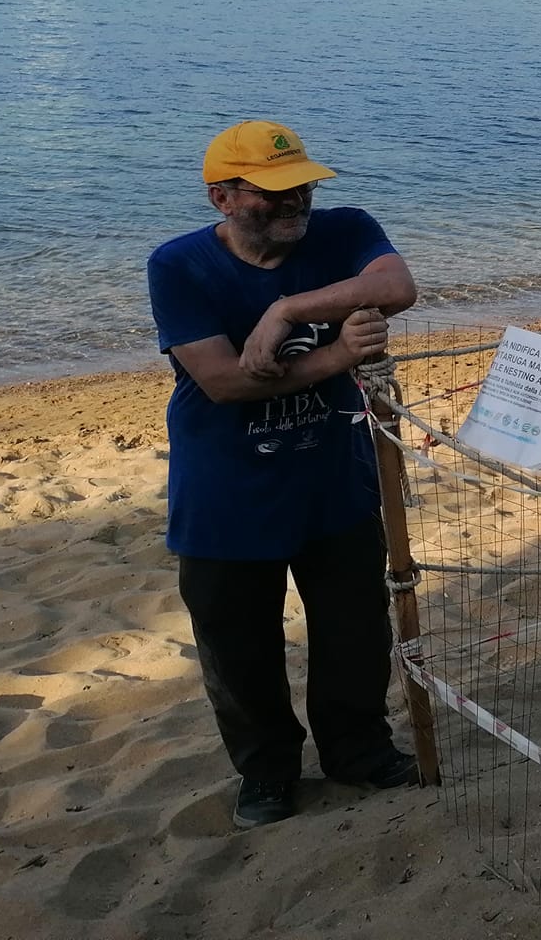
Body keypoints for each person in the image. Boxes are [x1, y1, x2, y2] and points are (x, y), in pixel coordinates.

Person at [147, 119, 421, 830]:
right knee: (238, 651)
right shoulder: (178, 266)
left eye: (299, 184)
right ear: (222, 199)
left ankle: (358, 752)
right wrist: (336, 357)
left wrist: (288, 309)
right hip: (224, 490)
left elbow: (396, 284)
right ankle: (267, 772)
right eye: (271, 191)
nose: (294, 199)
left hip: (335, 477)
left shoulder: (343, 230)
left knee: (355, 633)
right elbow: (226, 383)